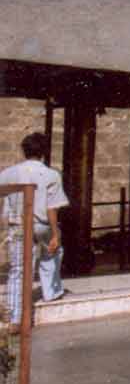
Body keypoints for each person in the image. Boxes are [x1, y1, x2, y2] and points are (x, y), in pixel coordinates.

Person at [0, 133, 68, 311]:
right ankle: (51, 292)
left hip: (18, 226)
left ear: (24, 151)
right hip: (42, 225)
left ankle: (15, 313)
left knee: (18, 268)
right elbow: (52, 207)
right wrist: (55, 233)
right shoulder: (51, 174)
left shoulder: (8, 173)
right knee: (53, 253)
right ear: (44, 152)